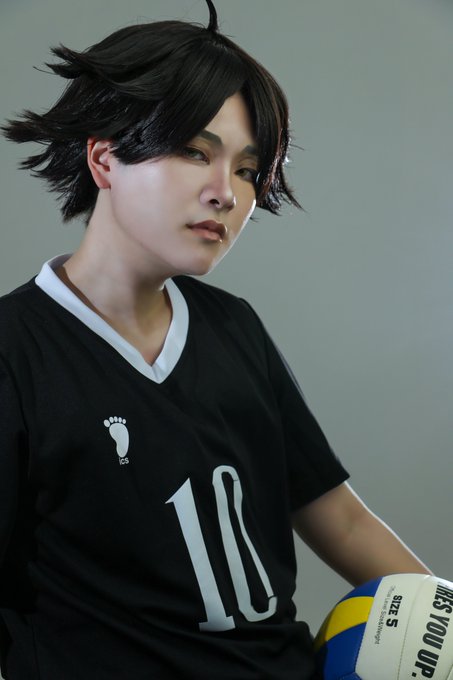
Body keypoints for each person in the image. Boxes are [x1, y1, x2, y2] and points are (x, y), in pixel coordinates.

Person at [0, 1, 430, 678]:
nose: (226, 193)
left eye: (247, 170)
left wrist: (444, 621)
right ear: (105, 158)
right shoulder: (15, 352)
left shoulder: (234, 327)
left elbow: (341, 520)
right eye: (195, 152)